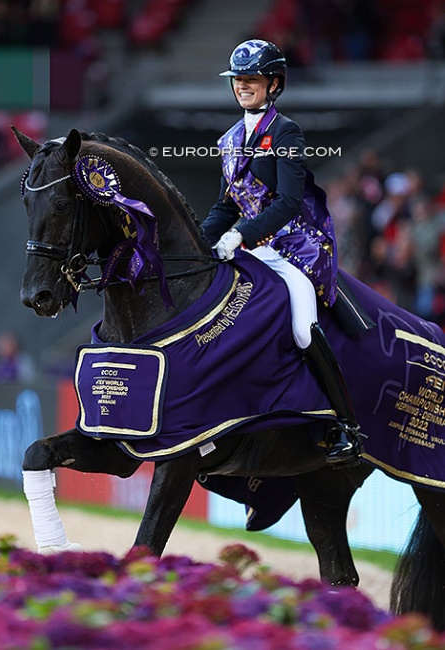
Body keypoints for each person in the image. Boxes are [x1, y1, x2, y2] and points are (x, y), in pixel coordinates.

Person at [202, 39, 363, 465]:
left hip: (296, 246)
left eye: (251, 79)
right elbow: (225, 206)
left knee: (303, 328)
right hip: (254, 246)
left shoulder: (285, 132)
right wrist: (200, 243)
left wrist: (242, 235)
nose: (243, 86)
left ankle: (346, 425)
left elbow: (289, 201)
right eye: (238, 80)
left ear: (274, 84)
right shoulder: (231, 139)